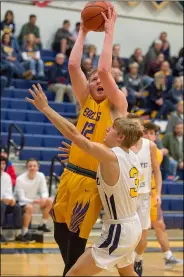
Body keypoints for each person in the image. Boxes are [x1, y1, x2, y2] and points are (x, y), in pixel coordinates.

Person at [27, 7, 128, 276]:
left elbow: (105, 69)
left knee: (75, 235)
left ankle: (71, 273)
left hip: (91, 179)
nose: (98, 80)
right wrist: (82, 31)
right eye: (93, 78)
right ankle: (73, 271)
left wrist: (109, 33)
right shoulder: (86, 101)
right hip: (69, 174)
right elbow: (73, 66)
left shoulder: (117, 105)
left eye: (103, 79)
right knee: (58, 228)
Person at [26, 83, 143, 275]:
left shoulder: (111, 156)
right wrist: (76, 154)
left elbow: (74, 134)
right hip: (132, 226)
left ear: (121, 137)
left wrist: (46, 108)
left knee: (73, 273)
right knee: (128, 274)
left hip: (119, 230)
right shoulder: (132, 155)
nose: (106, 130)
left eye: (111, 129)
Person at [143, 122, 183, 269]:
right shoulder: (135, 151)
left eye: (152, 134)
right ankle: (133, 259)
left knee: (160, 225)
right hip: (137, 195)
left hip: (152, 193)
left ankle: (168, 256)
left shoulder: (155, 152)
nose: (149, 136)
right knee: (141, 232)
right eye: (146, 133)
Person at [126, 114, 162, 277]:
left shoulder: (150, 146)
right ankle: (127, 263)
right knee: (127, 235)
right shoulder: (122, 146)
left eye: (136, 125)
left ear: (141, 128)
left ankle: (138, 259)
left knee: (142, 237)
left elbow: (157, 171)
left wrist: (158, 193)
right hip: (126, 197)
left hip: (145, 196)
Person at [15, 158, 52, 241]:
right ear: (27, 167)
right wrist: (33, 201)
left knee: (50, 201)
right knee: (29, 207)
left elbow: (44, 191)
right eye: (30, 166)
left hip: (34, 200)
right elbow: (21, 198)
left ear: (38, 167)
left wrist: (43, 198)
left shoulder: (41, 176)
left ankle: (43, 224)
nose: (32, 168)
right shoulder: (20, 179)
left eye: (34, 166)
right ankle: (24, 233)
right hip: (21, 203)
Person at [0, 156, 22, 243]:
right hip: (1, 202)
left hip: (4, 201)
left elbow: (8, 192)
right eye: (0, 163)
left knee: (17, 207)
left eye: (3, 163)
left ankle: (18, 233)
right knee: (1, 206)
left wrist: (11, 199)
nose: (2, 165)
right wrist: (2, 199)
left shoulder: (7, 176)